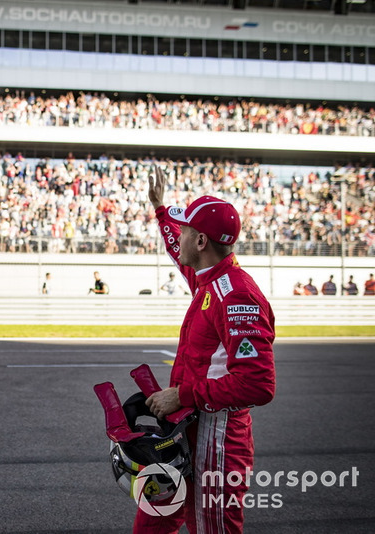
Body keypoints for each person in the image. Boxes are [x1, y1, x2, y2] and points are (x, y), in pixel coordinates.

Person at [138, 166, 276, 534]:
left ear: (200, 242)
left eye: (184, 231)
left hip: (216, 442)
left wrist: (182, 394)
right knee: (150, 524)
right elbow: (177, 248)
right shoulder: (206, 280)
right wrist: (161, 210)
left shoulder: (236, 295)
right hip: (184, 433)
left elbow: (258, 384)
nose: (177, 238)